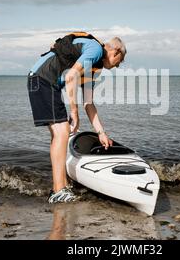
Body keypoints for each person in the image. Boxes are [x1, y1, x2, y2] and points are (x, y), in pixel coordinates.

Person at [27, 32, 126, 203]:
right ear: (115, 51)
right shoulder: (95, 49)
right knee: (62, 131)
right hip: (43, 79)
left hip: (41, 80)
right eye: (120, 61)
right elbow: (70, 76)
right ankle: (58, 191)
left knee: (60, 133)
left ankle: (60, 187)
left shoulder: (95, 66)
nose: (117, 66)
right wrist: (74, 112)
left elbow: (88, 103)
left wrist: (101, 132)